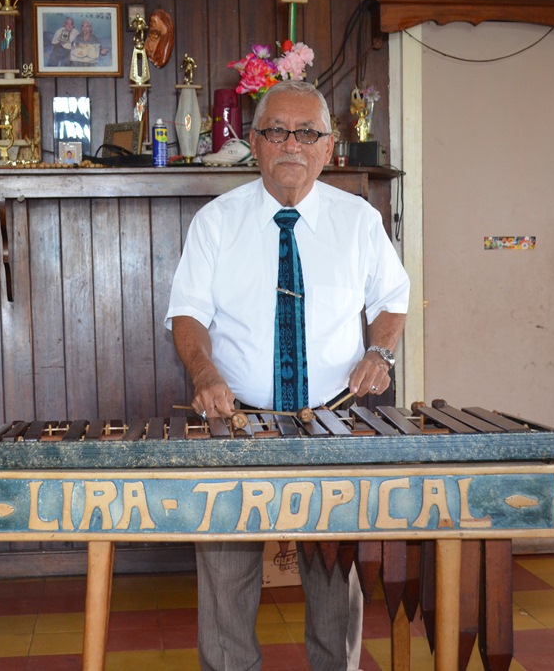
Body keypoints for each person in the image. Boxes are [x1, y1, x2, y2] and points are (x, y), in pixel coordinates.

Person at [165, 80, 409, 670]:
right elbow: (187, 314)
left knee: (335, 582)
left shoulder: (359, 221)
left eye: (307, 133)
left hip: (334, 418)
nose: (291, 145)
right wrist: (204, 372)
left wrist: (380, 354)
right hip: (235, 421)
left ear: (329, 146)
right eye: (276, 132)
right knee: (226, 577)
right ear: (254, 143)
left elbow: (393, 300)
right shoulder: (216, 222)